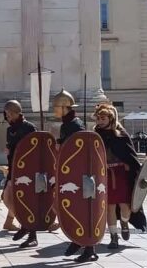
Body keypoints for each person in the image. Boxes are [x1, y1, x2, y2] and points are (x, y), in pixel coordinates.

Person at [52, 89, 95, 262]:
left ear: (64, 107)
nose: (54, 109)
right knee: (67, 207)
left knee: (83, 210)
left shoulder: (76, 126)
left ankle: (89, 247)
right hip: (70, 175)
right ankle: (78, 240)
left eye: (56, 106)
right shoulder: (67, 125)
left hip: (79, 176)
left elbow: (80, 152)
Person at [93, 102, 142, 250]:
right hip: (104, 175)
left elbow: (130, 155)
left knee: (124, 206)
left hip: (121, 174)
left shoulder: (121, 134)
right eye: (98, 119)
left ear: (111, 118)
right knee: (109, 207)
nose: (100, 121)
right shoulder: (96, 135)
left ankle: (125, 222)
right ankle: (114, 236)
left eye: (103, 118)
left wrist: (130, 166)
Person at [0, 100, 39, 247]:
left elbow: (36, 147)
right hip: (14, 168)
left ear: (18, 112)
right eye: (7, 114)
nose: (8, 116)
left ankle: (32, 235)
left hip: (27, 170)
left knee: (27, 201)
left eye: (11, 113)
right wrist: (9, 150)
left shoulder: (28, 127)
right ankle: (25, 224)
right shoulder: (9, 130)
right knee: (7, 197)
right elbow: (11, 146)